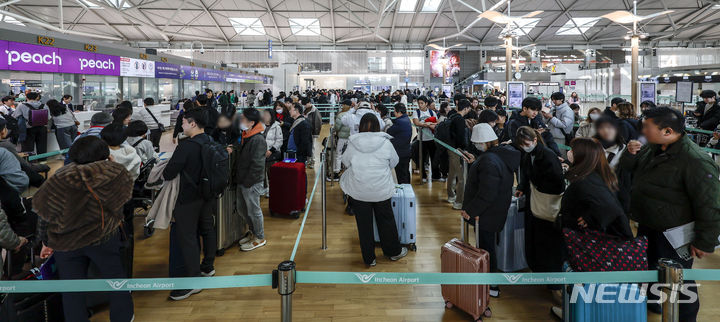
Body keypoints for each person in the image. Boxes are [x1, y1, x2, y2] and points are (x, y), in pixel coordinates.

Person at [619, 107, 720, 320]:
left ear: (667, 131)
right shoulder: (652, 148)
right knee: (653, 269)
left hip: (675, 233)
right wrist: (630, 153)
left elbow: (710, 205)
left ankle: (685, 317)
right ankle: (656, 304)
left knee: (680, 280)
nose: (642, 130)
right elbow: (630, 168)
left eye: (647, 127)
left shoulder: (695, 160)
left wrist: (704, 241)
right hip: (650, 224)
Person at [34, 136, 134, 322]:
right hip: (103, 237)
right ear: (104, 154)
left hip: (66, 241)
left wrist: (45, 242)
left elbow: (44, 214)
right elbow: (124, 201)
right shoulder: (115, 174)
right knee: (116, 283)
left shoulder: (59, 177)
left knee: (72, 291)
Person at [460, 123, 520, 297]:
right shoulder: (499, 155)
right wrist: (475, 162)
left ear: (483, 142)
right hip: (496, 209)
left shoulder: (489, 161)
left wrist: (470, 210)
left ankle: (491, 285)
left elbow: (487, 192)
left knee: (486, 249)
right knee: (487, 246)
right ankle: (488, 281)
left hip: (485, 213)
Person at [341, 113, 407, 267]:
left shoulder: (353, 142)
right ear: (378, 126)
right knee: (386, 221)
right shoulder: (385, 142)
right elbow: (394, 161)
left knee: (364, 225)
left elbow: (345, 162)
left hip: (359, 190)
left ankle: (369, 258)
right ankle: (393, 252)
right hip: (381, 189)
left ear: (360, 126)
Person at [162, 109, 212, 300]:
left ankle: (193, 281)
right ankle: (205, 267)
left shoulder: (186, 147)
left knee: (187, 238)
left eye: (183, 122)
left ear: (192, 123)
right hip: (205, 196)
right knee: (201, 231)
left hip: (187, 199)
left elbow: (168, 173)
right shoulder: (209, 141)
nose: (180, 125)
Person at [514, 126, 565, 293]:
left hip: (546, 207)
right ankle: (537, 269)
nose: (524, 146)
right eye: (521, 144)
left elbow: (557, 184)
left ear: (535, 140)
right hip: (533, 204)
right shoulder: (528, 155)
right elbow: (526, 175)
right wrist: (522, 186)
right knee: (534, 238)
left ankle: (552, 280)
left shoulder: (548, 156)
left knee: (547, 242)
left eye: (526, 143)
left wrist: (536, 184)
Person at [233, 108, 267, 251]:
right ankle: (253, 232)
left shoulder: (257, 139)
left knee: (254, 210)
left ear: (252, 122)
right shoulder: (247, 135)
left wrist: (248, 182)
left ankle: (259, 237)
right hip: (243, 179)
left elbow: (257, 165)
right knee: (243, 209)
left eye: (244, 120)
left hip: (251, 182)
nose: (241, 122)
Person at [593, 117, 631, 214]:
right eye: (602, 128)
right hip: (595, 191)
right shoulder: (592, 147)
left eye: (610, 128)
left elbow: (626, 178)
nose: (606, 131)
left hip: (616, 193)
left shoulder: (625, 149)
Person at [446, 99, 471, 210]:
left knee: (452, 173)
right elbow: (460, 137)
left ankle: (451, 195)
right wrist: (464, 149)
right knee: (461, 176)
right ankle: (458, 202)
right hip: (457, 150)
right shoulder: (460, 120)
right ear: (465, 108)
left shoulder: (452, 117)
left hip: (450, 148)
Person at [411, 96, 439, 182]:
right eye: (419, 103)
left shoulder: (432, 112)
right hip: (421, 139)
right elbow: (416, 122)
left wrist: (426, 124)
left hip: (431, 139)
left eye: (421, 103)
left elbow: (436, 123)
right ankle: (423, 176)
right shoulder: (416, 112)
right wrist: (427, 124)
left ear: (426, 104)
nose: (420, 105)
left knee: (434, 157)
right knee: (421, 158)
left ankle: (436, 175)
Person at [541, 92, 574, 156]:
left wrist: (552, 117)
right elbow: (547, 121)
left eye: (555, 99)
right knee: (552, 154)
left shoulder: (567, 110)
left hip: (561, 137)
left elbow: (564, 125)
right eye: (552, 99)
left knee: (560, 154)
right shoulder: (554, 108)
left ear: (561, 99)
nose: (553, 101)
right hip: (551, 135)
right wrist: (545, 116)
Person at [387, 103, 412, 184]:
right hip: (406, 151)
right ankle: (408, 191)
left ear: (399, 112)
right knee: (405, 173)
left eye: (394, 111)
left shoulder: (400, 122)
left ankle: (404, 192)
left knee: (401, 175)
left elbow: (389, 131)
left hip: (400, 153)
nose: (394, 113)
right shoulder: (406, 119)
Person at [263, 109, 283, 195]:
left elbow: (279, 141)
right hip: (261, 153)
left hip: (272, 153)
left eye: (267, 115)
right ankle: (265, 188)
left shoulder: (277, 127)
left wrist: (271, 150)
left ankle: (272, 189)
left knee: (270, 172)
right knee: (262, 172)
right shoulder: (260, 126)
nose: (265, 116)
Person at [332, 100, 353, 180]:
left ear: (345, 105)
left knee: (338, 154)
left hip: (342, 138)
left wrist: (334, 130)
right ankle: (348, 172)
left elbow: (337, 127)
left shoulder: (341, 115)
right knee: (349, 155)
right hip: (351, 137)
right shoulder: (353, 114)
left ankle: (337, 171)